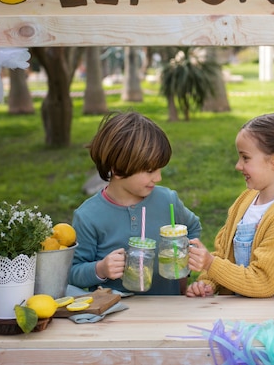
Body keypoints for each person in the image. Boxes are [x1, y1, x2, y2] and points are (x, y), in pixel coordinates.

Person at [69, 111, 201, 295]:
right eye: (149, 170)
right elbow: (72, 271)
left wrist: (186, 254)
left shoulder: (168, 201)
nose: (158, 177)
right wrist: (100, 269)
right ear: (117, 168)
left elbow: (193, 228)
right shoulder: (88, 216)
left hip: (169, 310)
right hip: (114, 315)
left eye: (160, 169)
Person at [186, 113, 274, 297]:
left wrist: (210, 264)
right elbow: (223, 255)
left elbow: (262, 282)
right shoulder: (245, 201)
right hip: (249, 312)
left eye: (245, 158)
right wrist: (208, 282)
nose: (238, 166)